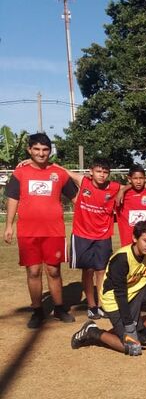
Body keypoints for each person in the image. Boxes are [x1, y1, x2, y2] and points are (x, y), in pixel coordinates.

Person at [4, 133, 78, 328]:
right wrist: (9, 225)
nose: (41, 153)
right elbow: (13, 199)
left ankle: (60, 308)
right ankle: (37, 311)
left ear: (50, 151)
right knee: (33, 271)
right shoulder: (20, 173)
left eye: (45, 149)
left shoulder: (59, 173)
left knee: (53, 270)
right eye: (36, 149)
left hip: (54, 231)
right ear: (29, 150)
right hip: (27, 231)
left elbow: (77, 199)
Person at [70, 221, 146, 356]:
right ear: (134, 239)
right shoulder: (122, 259)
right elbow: (120, 295)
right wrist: (128, 326)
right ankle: (92, 331)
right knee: (132, 348)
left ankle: (141, 333)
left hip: (136, 293)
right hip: (115, 300)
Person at [67, 157, 121, 319]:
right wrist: (32, 163)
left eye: (105, 172)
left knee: (101, 271)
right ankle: (91, 305)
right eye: (98, 171)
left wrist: (122, 192)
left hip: (103, 236)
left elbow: (131, 184)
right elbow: (63, 171)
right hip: (82, 235)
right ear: (91, 172)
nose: (102, 175)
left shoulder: (114, 187)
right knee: (88, 270)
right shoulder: (83, 181)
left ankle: (102, 305)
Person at [116, 165, 146, 247]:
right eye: (135, 178)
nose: (138, 181)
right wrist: (123, 190)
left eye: (141, 178)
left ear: (145, 179)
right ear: (129, 179)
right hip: (129, 243)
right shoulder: (122, 194)